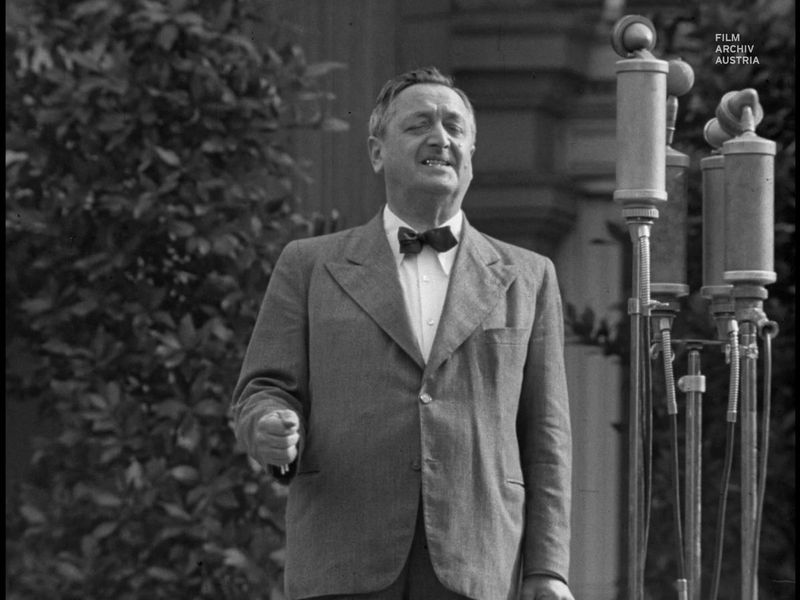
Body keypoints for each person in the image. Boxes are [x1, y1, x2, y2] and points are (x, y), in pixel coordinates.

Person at [232, 66, 574, 600]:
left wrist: (548, 570)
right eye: (419, 125)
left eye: (455, 128)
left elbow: (547, 436)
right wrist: (269, 426)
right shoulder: (309, 265)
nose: (441, 138)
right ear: (377, 152)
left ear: (470, 155)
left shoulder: (528, 276)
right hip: (343, 557)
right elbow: (262, 389)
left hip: (479, 560)